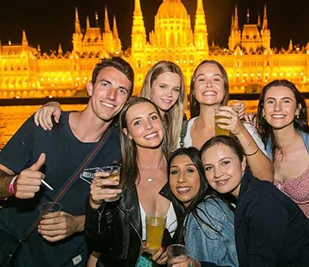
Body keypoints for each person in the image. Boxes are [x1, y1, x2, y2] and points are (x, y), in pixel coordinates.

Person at [0, 57, 134, 266]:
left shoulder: (121, 148)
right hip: (10, 248)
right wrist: (13, 184)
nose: (112, 95)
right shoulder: (43, 124)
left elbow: (119, 217)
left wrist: (78, 223)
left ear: (126, 101)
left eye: (122, 90)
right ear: (89, 87)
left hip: (66, 259)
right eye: (105, 84)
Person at [198, 135, 309, 267]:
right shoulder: (251, 194)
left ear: (243, 163)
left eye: (225, 163)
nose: (217, 173)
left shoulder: (260, 202)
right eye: (209, 168)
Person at [85, 97, 184, 266]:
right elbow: (98, 244)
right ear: (127, 133)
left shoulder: (181, 171)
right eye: (137, 122)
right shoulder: (117, 178)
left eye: (153, 117)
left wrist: (170, 253)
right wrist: (94, 205)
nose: (149, 126)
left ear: (163, 122)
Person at [34, 60, 187, 153]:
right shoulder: (125, 114)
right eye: (163, 86)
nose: (169, 94)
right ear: (150, 86)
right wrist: (53, 105)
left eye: (175, 89)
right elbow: (94, 119)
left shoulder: (180, 122)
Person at [255, 79, 309, 242]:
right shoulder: (261, 148)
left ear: (298, 109)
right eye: (271, 102)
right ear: (263, 111)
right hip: (277, 248)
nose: (277, 108)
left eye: (286, 101)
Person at [183, 60, 273, 181]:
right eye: (201, 79)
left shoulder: (244, 129)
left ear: (225, 89)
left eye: (216, 79)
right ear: (193, 91)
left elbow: (267, 177)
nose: (209, 84)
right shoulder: (182, 132)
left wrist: (241, 131)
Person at [168, 147, 238, 266]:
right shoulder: (211, 204)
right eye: (174, 172)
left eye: (190, 170)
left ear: (203, 175)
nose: (180, 179)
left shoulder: (203, 214)